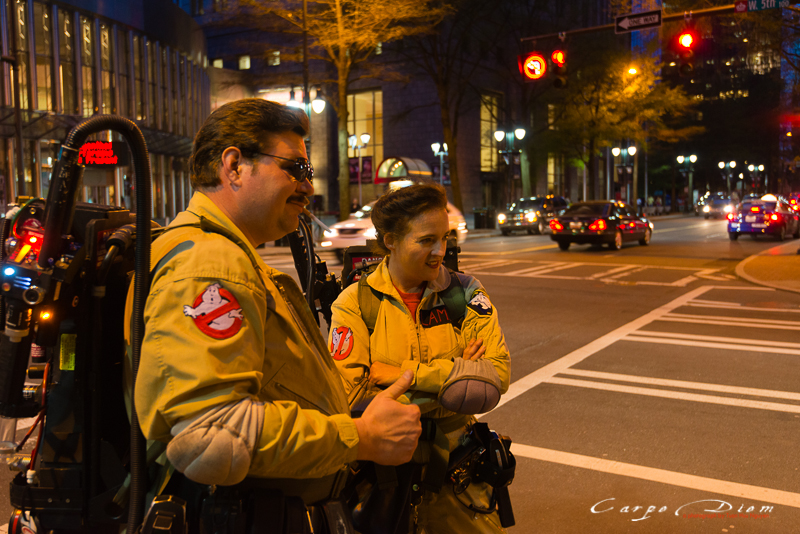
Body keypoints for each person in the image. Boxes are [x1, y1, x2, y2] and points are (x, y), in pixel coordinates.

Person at [125, 98, 421, 532]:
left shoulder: (224, 256)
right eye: (295, 169)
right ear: (234, 166)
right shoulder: (210, 266)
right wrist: (362, 438)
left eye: (309, 172)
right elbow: (209, 438)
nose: (307, 186)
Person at [328, 183, 511, 533]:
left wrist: (400, 374)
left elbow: (496, 376)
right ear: (390, 241)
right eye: (426, 240)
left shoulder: (466, 293)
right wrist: (458, 376)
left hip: (459, 479)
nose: (440, 251)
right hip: (384, 481)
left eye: (445, 237)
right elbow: (352, 400)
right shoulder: (354, 303)